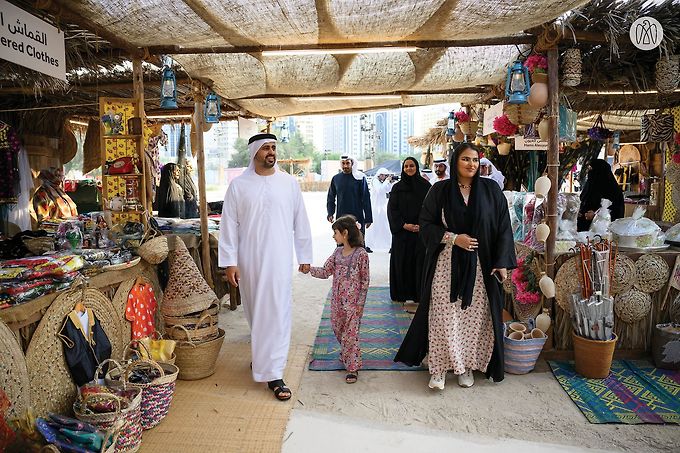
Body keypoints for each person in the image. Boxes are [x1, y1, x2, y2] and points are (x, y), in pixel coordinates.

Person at [395, 143, 516, 390]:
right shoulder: (440, 190)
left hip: (480, 267)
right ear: (455, 162)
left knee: (473, 317)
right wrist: (453, 238)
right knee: (442, 314)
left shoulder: (491, 190)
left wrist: (502, 261)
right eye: (465, 159)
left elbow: (503, 225)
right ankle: (438, 370)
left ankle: (466, 366)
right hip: (446, 263)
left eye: (475, 159)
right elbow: (426, 224)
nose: (471, 164)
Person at [219, 133, 312, 401]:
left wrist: (304, 254)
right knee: (256, 312)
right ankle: (263, 358)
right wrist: (230, 262)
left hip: (280, 259)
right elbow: (229, 226)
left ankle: (274, 374)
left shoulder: (288, 184)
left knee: (278, 313)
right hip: (249, 261)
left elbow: (300, 221)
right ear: (254, 152)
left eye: (273, 147)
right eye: (266, 148)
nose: (271, 152)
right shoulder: (239, 186)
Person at [304, 215, 369, 384]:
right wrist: (309, 269)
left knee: (350, 335)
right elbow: (326, 271)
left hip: (353, 304)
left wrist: (360, 304)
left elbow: (365, 280)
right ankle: (347, 353)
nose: (333, 236)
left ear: (345, 233)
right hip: (337, 302)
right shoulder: (337, 253)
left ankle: (353, 368)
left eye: (335, 233)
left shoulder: (361, 254)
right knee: (338, 328)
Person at [387, 157, 431, 304]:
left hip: (420, 233)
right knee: (402, 262)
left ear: (416, 167)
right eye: (406, 166)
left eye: (411, 166)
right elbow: (392, 210)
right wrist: (404, 225)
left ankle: (418, 294)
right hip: (402, 233)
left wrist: (422, 225)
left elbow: (431, 208)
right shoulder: (397, 188)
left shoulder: (426, 186)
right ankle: (401, 293)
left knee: (419, 263)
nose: (409, 168)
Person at [327, 156, 373, 248]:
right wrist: (330, 213)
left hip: (357, 217)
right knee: (341, 245)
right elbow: (331, 197)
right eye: (343, 163)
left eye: (347, 163)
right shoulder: (336, 179)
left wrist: (368, 218)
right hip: (341, 216)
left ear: (352, 164)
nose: (345, 166)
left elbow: (366, 198)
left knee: (357, 244)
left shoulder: (360, 178)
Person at [577, 159, 624, 231]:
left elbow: (617, 212)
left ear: (600, 171)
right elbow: (583, 200)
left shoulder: (613, 191)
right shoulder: (589, 185)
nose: (589, 172)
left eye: (592, 169)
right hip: (583, 228)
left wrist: (596, 215)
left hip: (602, 232)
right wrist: (578, 211)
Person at [365, 168, 393, 252]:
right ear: (380, 175)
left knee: (386, 226)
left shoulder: (382, 182)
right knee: (372, 228)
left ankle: (390, 245)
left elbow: (388, 190)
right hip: (375, 208)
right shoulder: (375, 181)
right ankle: (368, 245)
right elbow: (380, 190)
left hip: (382, 207)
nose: (385, 177)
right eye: (385, 175)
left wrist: (389, 182)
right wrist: (386, 181)